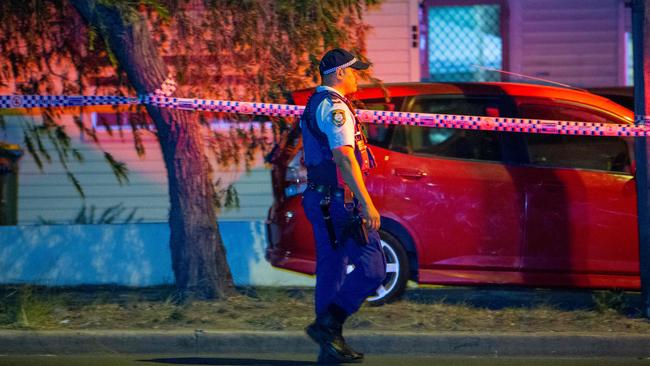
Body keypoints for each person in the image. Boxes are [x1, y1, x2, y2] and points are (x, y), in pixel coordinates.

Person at [300, 48, 387, 364]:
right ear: (339, 74)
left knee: (332, 271)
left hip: (322, 199)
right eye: (353, 71)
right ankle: (328, 325)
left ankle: (330, 348)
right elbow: (344, 156)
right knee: (374, 268)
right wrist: (366, 203)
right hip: (339, 203)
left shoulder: (317, 103)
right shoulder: (335, 107)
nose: (356, 77)